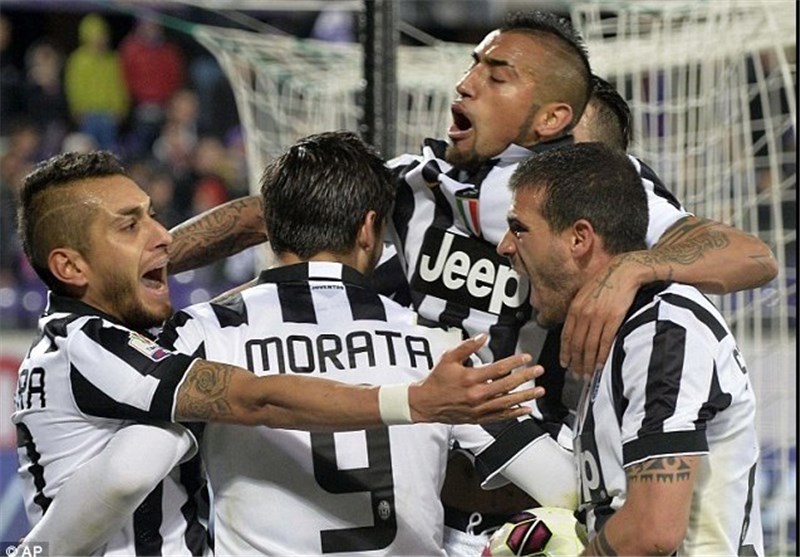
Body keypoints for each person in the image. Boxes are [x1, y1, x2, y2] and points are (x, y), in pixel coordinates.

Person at [163, 10, 777, 553]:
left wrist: (631, 268)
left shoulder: (580, 195)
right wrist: (150, 261)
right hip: (434, 494)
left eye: (496, 75)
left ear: (551, 119)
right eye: (473, 64)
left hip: (544, 494)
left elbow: (751, 256)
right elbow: (268, 213)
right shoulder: (414, 185)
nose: (466, 83)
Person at [11, 150, 542, 556]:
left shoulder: (183, 336)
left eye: (153, 216)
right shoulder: (86, 344)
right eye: (131, 225)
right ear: (69, 267)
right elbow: (235, 409)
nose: (163, 237)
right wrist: (415, 402)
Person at [158, 130, 574, 555]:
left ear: (272, 227)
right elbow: (563, 486)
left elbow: (137, 478)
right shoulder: (438, 347)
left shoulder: (203, 334)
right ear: (369, 228)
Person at [497, 141, 764, 556]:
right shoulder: (625, 334)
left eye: (519, 228)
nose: (505, 246)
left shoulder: (662, 330)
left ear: (579, 238)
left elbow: (652, 530)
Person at [64, 14, 130, 152]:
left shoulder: (113, 60)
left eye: (103, 35)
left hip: (110, 114)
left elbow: (119, 86)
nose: (100, 40)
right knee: (88, 151)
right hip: (88, 114)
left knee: (110, 151)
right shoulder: (78, 60)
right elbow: (73, 87)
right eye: (96, 36)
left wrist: (121, 109)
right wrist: (77, 109)